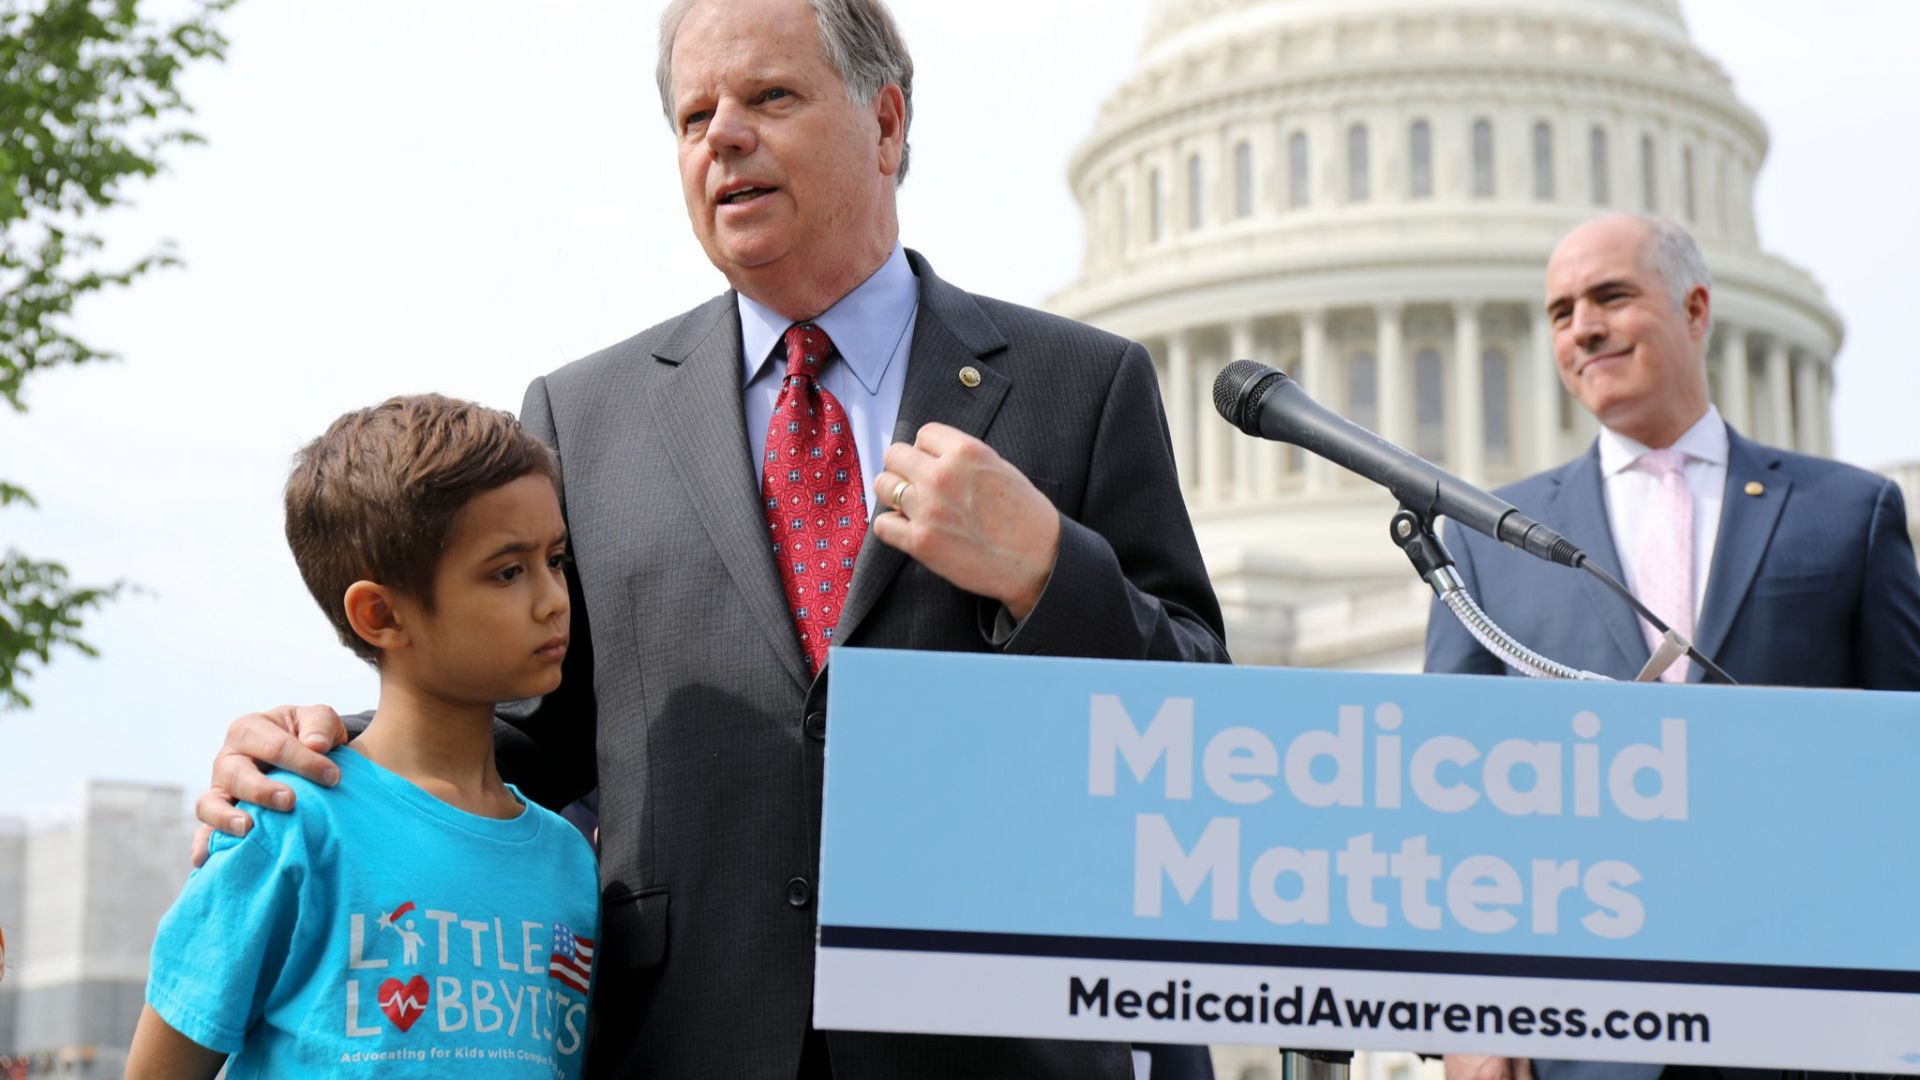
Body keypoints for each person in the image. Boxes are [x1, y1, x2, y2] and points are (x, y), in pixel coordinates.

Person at [191, 0, 1230, 1076]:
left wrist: (1047, 572)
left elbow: (1204, 734)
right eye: (694, 117)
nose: (723, 136)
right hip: (689, 1034)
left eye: (770, 97)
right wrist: (331, 759)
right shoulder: (582, 417)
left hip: (998, 1039)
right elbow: (532, 733)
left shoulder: (1080, 384)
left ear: (885, 124)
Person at [1427, 214, 1920, 1080]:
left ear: (1695, 310)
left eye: (1611, 297)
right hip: (1578, 1039)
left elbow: (1903, 764)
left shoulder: (1847, 514)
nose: (1583, 327)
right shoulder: (1487, 540)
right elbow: (1449, 799)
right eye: (1560, 311)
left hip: (1805, 1027)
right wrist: (1466, 1022)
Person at [130, 396, 600, 1078]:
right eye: (507, 571)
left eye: (555, 559)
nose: (554, 598)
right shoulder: (289, 826)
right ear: (379, 614)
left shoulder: (568, 859)